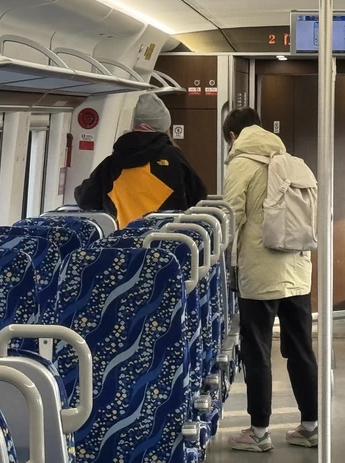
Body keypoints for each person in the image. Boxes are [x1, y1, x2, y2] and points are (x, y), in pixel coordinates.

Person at [222, 107, 318, 453]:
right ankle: (310, 426)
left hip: (260, 274)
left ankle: (259, 432)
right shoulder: (289, 159)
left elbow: (230, 215)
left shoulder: (241, 163)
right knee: (301, 349)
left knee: (258, 351)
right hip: (297, 272)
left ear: (233, 136)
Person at [74, 92, 207, 227]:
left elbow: (85, 199)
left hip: (121, 242)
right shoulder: (174, 157)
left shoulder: (112, 163)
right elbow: (198, 196)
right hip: (167, 240)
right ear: (164, 126)